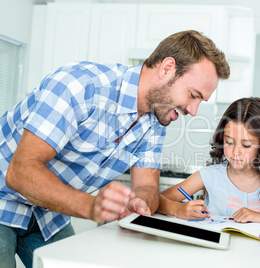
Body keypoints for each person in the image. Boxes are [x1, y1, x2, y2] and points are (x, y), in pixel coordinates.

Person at [0, 30, 230, 268]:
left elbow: (146, 187)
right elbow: (20, 172)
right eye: (193, 95)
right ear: (167, 68)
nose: (193, 111)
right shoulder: (80, 86)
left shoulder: (155, 120)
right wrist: (91, 205)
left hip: (46, 212)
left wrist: (140, 203)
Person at [157, 97, 260, 223]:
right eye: (229, 142)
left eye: (246, 145)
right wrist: (177, 209)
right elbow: (156, 200)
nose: (235, 152)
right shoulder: (209, 176)